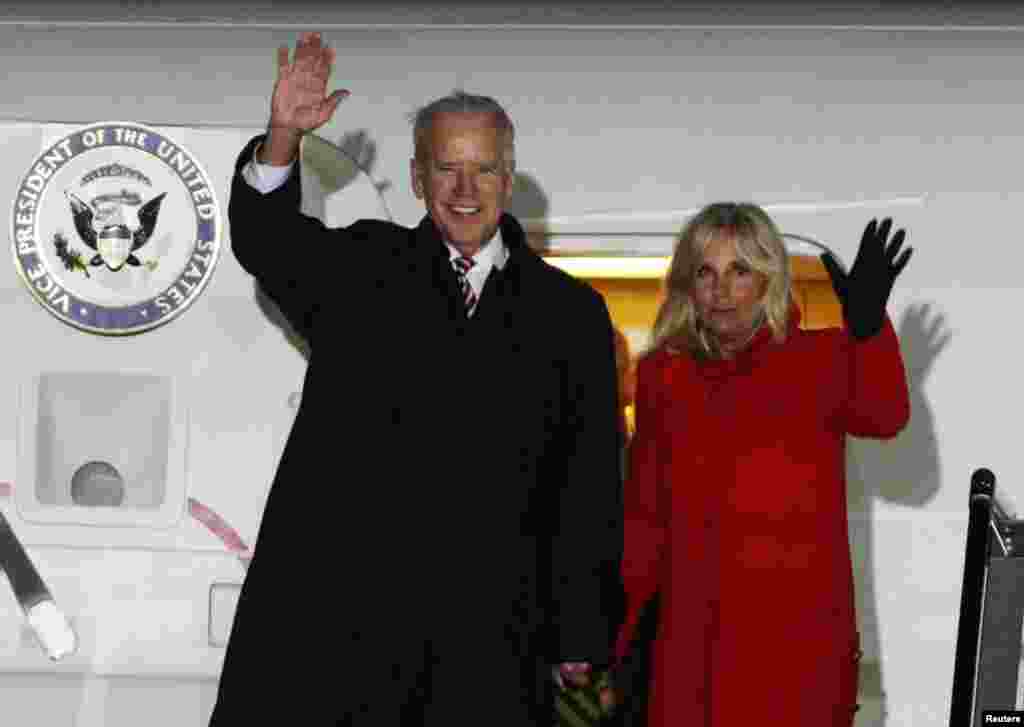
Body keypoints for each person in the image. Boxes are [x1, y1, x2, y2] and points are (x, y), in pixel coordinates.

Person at [207, 32, 622, 725]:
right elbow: (267, 240)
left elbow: (587, 485)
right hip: (341, 636)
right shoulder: (365, 269)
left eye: (483, 170)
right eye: (446, 169)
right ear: (417, 176)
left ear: (508, 177)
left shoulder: (569, 315)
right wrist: (282, 137)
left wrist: (579, 628)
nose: (465, 190)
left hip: (487, 645)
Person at [615, 202, 912, 726]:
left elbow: (884, 415)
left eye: (740, 271)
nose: (721, 290)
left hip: (796, 654)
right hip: (692, 657)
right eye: (705, 272)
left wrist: (867, 330)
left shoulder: (817, 360)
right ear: (688, 284)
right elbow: (645, 519)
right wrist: (616, 640)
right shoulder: (664, 376)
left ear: (769, 279)